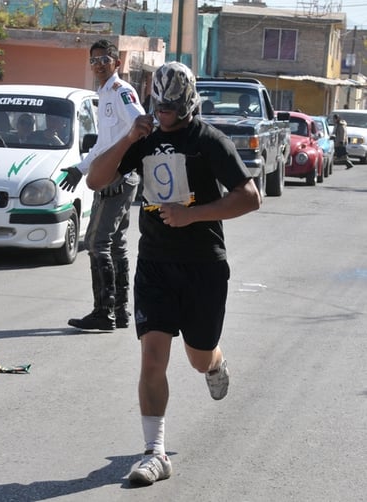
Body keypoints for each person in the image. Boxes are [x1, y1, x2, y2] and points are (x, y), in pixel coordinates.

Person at [86, 61, 261, 485]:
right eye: (158, 107)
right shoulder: (143, 140)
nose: (163, 115)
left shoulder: (209, 141)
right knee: (152, 357)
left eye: (171, 109)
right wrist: (130, 135)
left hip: (203, 264)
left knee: (199, 358)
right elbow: (95, 179)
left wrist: (194, 214)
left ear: (188, 105)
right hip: (156, 264)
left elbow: (250, 197)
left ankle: (216, 362)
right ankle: (155, 453)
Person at [59, 39, 144, 330]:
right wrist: (80, 168)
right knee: (116, 244)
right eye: (93, 61)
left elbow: (141, 126)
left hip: (118, 178)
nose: (98, 65)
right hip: (111, 174)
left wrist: (119, 168)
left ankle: (103, 312)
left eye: (104, 59)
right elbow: (103, 145)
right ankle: (120, 312)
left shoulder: (120, 92)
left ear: (116, 63)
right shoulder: (104, 94)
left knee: (96, 242)